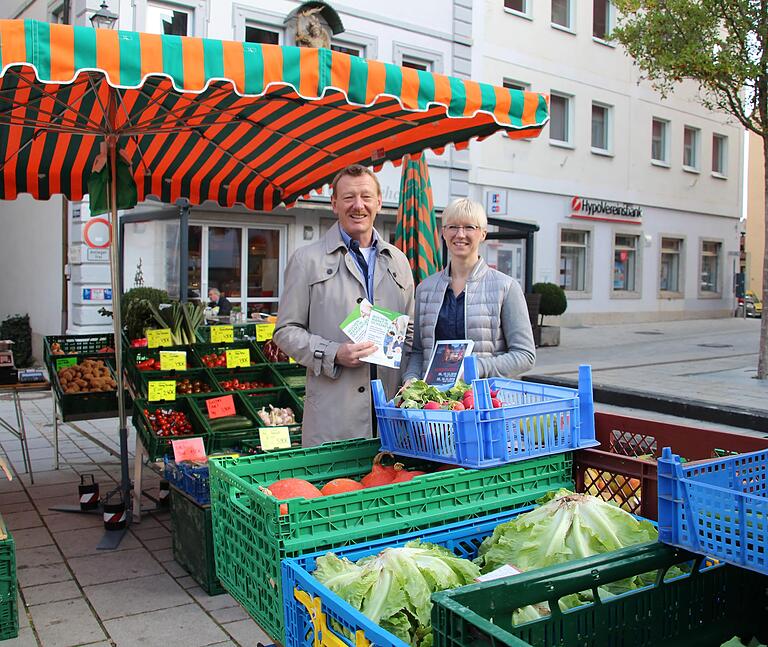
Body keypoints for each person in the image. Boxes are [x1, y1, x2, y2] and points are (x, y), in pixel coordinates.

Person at [274, 165, 415, 445]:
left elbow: (409, 333)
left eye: (365, 196)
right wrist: (334, 352)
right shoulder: (306, 260)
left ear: (378, 202)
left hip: (392, 417)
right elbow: (285, 331)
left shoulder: (399, 261)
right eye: (349, 197)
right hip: (333, 419)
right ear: (334, 204)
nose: (358, 205)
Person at [403, 197, 535, 383]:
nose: (460, 234)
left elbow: (525, 355)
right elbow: (418, 352)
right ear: (443, 232)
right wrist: (411, 378)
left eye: (469, 227)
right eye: (453, 227)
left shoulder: (505, 287)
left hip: (487, 401)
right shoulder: (425, 289)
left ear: (483, 234)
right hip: (435, 403)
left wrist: (476, 368)